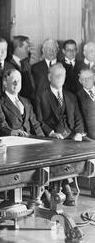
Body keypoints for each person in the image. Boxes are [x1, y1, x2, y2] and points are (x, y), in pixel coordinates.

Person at [35, 63, 85, 206]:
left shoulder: (70, 96)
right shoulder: (41, 95)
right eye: (56, 75)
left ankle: (59, 188)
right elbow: (39, 120)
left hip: (70, 137)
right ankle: (65, 187)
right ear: (49, 77)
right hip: (52, 137)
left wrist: (79, 133)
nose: (60, 78)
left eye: (62, 75)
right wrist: (51, 133)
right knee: (58, 153)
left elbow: (78, 118)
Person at [0, 69, 44, 137]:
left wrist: (43, 140)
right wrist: (12, 132)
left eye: (19, 81)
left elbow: (35, 125)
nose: (16, 84)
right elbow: (2, 126)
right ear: (5, 83)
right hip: (13, 142)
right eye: (14, 81)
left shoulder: (26, 101)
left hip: (30, 141)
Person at [9, 36, 35, 101]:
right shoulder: (8, 64)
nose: (29, 50)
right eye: (26, 47)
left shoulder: (27, 64)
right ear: (18, 48)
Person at [77, 69, 95, 139]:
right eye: (84, 79)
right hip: (90, 133)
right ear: (80, 81)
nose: (87, 81)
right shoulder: (77, 96)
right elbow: (79, 118)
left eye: (89, 78)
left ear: (94, 78)